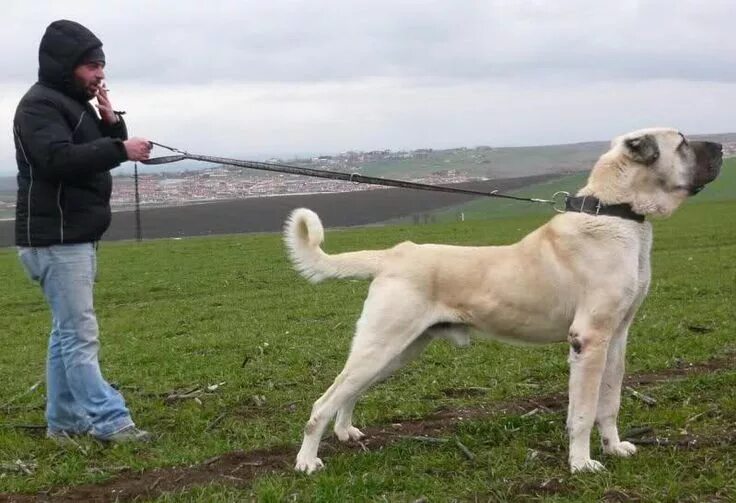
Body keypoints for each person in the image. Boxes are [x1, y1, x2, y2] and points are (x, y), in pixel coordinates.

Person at [13, 19, 152, 443]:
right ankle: (110, 421)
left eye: (101, 66)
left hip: (70, 237)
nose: (99, 74)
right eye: (92, 65)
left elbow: (93, 152)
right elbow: (58, 160)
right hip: (55, 240)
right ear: (66, 65)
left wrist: (111, 124)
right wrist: (118, 147)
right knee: (79, 334)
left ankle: (65, 421)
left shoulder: (72, 105)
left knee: (65, 333)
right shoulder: (40, 106)